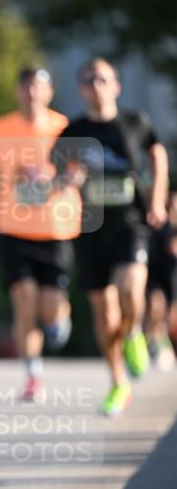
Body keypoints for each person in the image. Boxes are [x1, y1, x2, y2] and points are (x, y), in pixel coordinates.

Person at [52, 58, 169, 416]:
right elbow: (55, 175)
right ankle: (119, 382)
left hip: (131, 222)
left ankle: (133, 332)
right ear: (82, 88)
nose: (96, 84)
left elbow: (157, 152)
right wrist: (66, 181)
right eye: (88, 79)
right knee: (104, 315)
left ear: (116, 85)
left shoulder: (136, 123)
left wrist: (159, 197)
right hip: (90, 228)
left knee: (132, 287)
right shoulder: (74, 131)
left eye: (102, 79)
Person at [0, 67, 80, 401]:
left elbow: (77, 175)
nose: (32, 93)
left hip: (56, 229)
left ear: (49, 92)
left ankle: (58, 319)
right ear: (18, 92)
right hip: (14, 228)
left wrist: (53, 182)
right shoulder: (1, 128)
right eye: (26, 87)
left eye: (39, 87)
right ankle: (33, 374)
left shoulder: (63, 128)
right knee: (24, 302)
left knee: (49, 307)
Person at [145, 189, 177, 371]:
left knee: (171, 316)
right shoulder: (159, 224)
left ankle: (167, 348)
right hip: (156, 273)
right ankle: (157, 345)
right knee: (156, 309)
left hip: (173, 277)